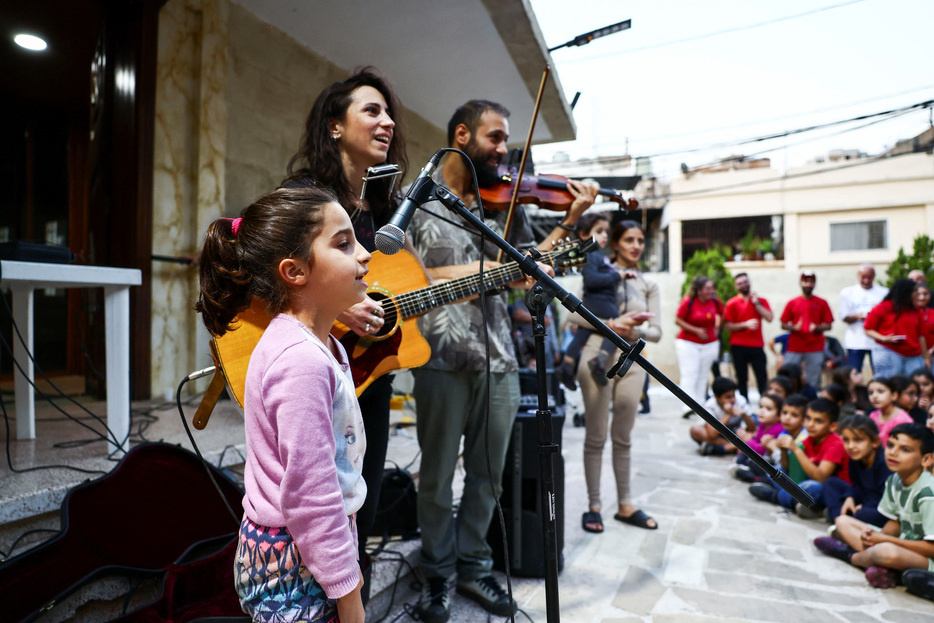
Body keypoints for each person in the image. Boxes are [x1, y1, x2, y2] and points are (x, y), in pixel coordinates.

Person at [407, 99, 598, 622]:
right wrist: (487, 269)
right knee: (437, 476)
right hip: (440, 354)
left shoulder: (498, 209)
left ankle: (473, 567)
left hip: (499, 358)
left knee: (489, 476)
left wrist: (574, 216)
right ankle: (437, 573)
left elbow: (531, 270)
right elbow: (413, 278)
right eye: (494, 138)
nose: (503, 151)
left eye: (506, 140)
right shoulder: (415, 201)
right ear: (462, 135)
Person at [195, 186, 371, 623]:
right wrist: (350, 597)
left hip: (310, 545)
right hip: (292, 558)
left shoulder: (321, 345)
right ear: (294, 271)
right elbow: (311, 496)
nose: (365, 254)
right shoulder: (301, 362)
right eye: (344, 243)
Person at [281, 67, 412, 586]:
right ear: (335, 126)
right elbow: (260, 273)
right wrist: (336, 310)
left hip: (369, 379)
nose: (387, 122)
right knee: (319, 505)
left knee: (364, 503)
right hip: (312, 377)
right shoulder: (302, 197)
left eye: (389, 114)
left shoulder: (387, 210)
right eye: (372, 111)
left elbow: (397, 283)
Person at [572, 220, 662, 534]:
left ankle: (625, 504)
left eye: (640, 240)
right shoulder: (597, 269)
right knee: (595, 436)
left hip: (633, 360)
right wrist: (612, 322)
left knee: (623, 436)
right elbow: (573, 313)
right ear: (616, 244)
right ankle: (594, 506)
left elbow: (657, 332)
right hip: (597, 355)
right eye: (628, 240)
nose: (636, 245)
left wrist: (632, 328)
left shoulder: (648, 285)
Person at [813, 423, 934, 589]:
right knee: (842, 521)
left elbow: (932, 548)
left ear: (926, 459)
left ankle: (850, 556)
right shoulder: (895, 480)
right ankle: (880, 565)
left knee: (886, 552)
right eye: (891, 445)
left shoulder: (929, 493)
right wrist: (872, 538)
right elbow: (895, 521)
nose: (893, 452)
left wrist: (884, 540)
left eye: (905, 450)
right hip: (902, 544)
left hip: (927, 559)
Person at [556, 212, 628, 389]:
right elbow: (591, 280)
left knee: (583, 332)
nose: (605, 235)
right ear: (583, 235)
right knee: (616, 327)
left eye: (606, 231)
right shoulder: (591, 255)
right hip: (600, 302)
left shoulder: (598, 255)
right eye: (599, 230)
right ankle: (600, 360)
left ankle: (566, 365)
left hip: (595, 301)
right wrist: (617, 275)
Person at [750, 398, 849, 519]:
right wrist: (784, 451)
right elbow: (788, 468)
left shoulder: (835, 444)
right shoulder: (810, 439)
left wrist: (796, 449)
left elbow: (821, 478)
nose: (811, 424)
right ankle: (799, 502)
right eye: (808, 418)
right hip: (805, 480)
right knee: (777, 469)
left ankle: (775, 496)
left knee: (811, 487)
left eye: (818, 421)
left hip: (829, 491)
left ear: (833, 426)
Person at [820, 415, 890, 526]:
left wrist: (866, 506)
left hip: (880, 505)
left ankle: (842, 519)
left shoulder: (884, 463)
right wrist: (850, 497)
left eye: (858, 440)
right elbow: (856, 486)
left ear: (875, 441)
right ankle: (838, 521)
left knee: (863, 514)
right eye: (846, 440)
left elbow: (887, 499)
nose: (851, 446)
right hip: (863, 499)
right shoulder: (855, 458)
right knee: (831, 483)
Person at [675, 276, 723, 410]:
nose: (711, 291)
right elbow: (678, 320)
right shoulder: (689, 301)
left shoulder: (715, 301)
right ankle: (687, 406)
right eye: (708, 289)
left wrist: (717, 329)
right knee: (690, 373)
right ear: (699, 290)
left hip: (709, 344)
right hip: (688, 343)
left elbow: (721, 314)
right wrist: (696, 330)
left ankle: (700, 404)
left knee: (703, 375)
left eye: (712, 288)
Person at [723, 272, 773, 401]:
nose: (743, 285)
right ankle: (744, 406)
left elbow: (769, 317)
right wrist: (745, 325)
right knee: (741, 378)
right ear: (736, 286)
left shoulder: (761, 301)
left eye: (745, 282)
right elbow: (727, 326)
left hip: (757, 346)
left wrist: (756, 304)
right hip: (738, 346)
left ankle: (765, 404)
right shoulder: (732, 303)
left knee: (762, 377)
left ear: (749, 282)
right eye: (739, 283)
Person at [780, 270, 834, 388]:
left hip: (815, 346)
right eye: (805, 281)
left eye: (811, 281)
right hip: (795, 346)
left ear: (815, 283)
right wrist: (794, 327)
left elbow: (829, 325)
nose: (808, 284)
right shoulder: (792, 302)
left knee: (813, 379)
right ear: (801, 282)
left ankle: (810, 402)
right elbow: (783, 324)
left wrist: (817, 327)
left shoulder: (822, 302)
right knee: (788, 374)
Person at [864, 279, 927, 378]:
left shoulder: (915, 309)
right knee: (890, 383)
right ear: (906, 291)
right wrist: (884, 338)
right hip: (889, 351)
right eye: (915, 290)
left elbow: (921, 335)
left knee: (914, 384)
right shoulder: (883, 307)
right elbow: (868, 329)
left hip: (913, 354)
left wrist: (925, 357)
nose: (917, 293)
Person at [838, 264, 888, 373]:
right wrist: (856, 317)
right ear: (858, 276)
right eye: (863, 277)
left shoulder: (884, 292)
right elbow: (843, 316)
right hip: (855, 341)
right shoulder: (847, 292)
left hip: (877, 341)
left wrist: (873, 317)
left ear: (874, 276)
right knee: (853, 373)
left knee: (880, 373)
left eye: (869, 277)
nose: (866, 280)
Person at [689, 376, 754, 456]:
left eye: (733, 396)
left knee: (754, 432)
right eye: (728, 397)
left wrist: (744, 415)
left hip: (736, 435)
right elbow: (712, 434)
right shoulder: (710, 405)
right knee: (695, 430)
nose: (732, 400)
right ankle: (735, 447)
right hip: (719, 437)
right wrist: (728, 414)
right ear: (717, 397)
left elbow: (752, 428)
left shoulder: (740, 400)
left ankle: (723, 449)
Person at [729, 393, 784, 482]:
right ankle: (745, 470)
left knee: (752, 461)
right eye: (760, 407)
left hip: (770, 462)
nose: (762, 411)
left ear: (779, 415)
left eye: (768, 409)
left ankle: (753, 477)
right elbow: (757, 440)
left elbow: (762, 450)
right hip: (761, 458)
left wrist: (748, 440)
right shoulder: (763, 425)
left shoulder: (777, 429)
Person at [867, 376, 914, 445]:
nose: (874, 396)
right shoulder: (873, 415)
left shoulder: (903, 420)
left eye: (880, 392)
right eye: (871, 393)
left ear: (894, 395)